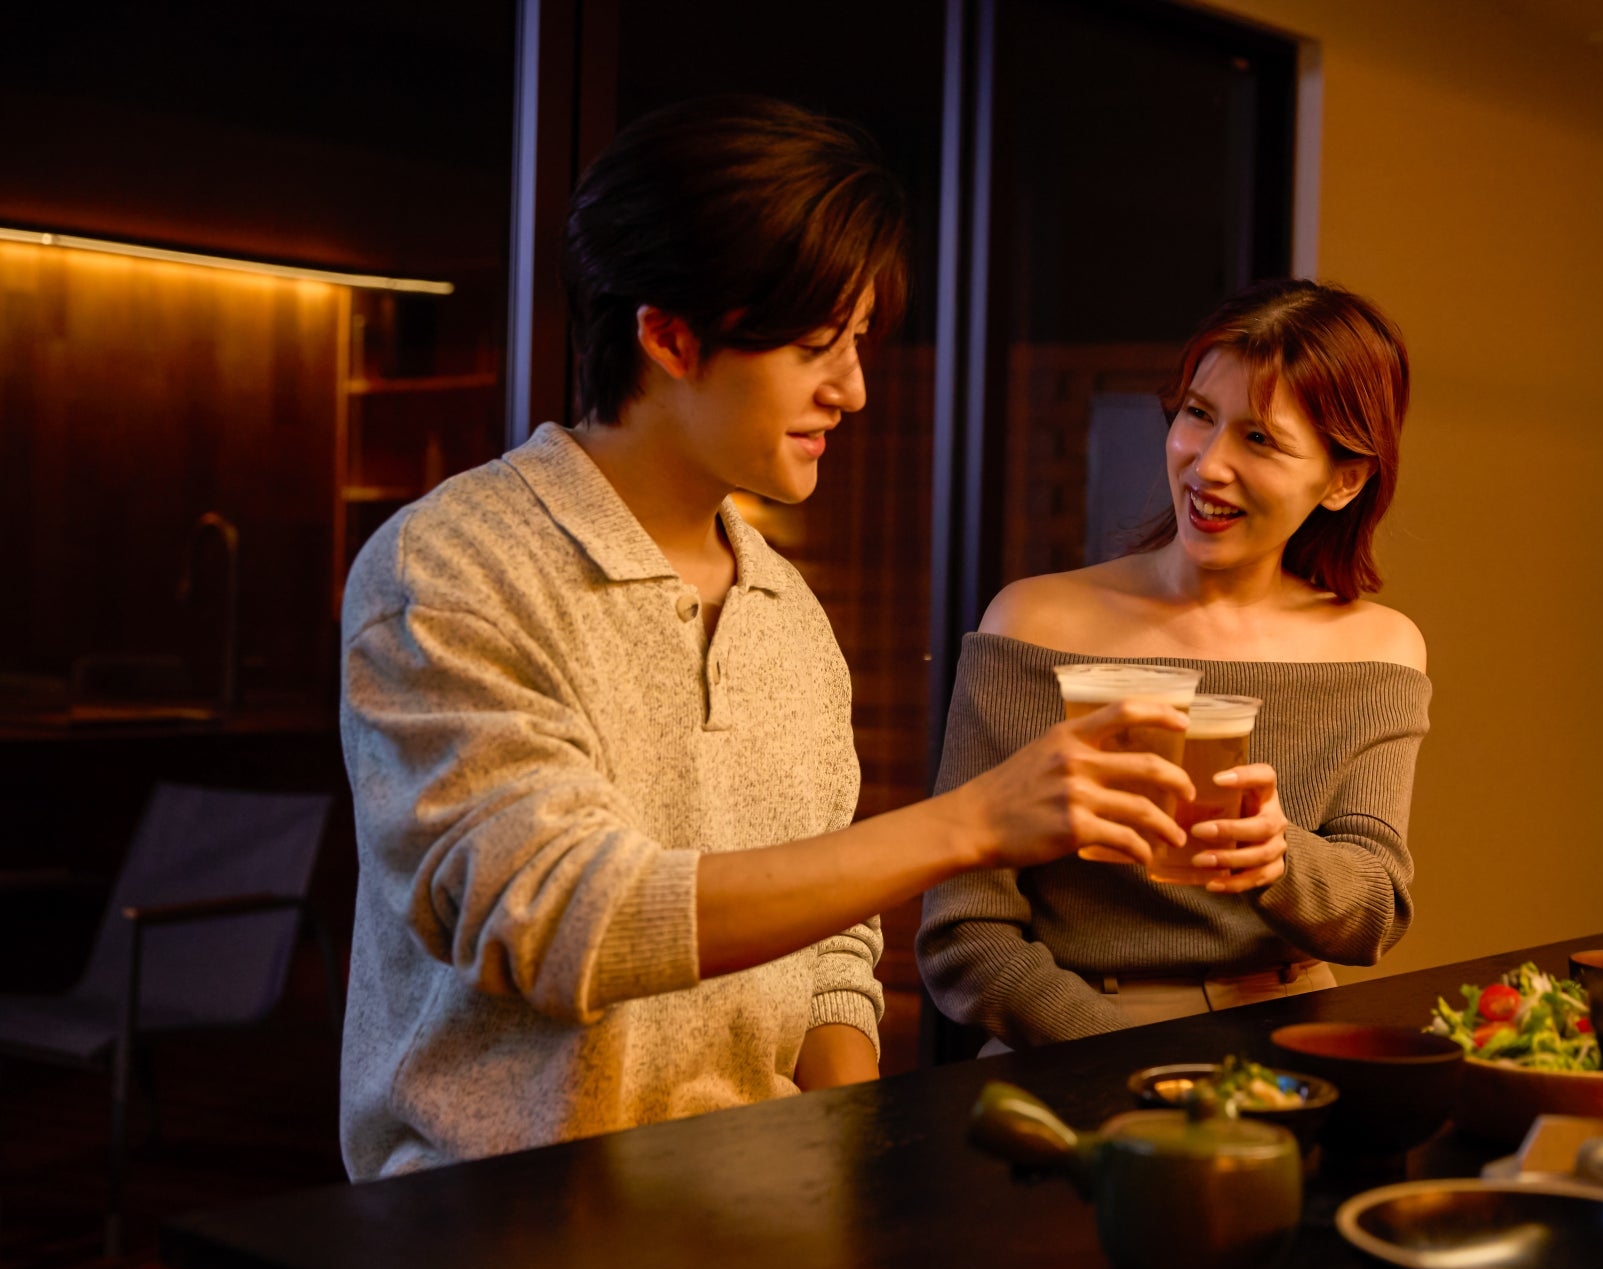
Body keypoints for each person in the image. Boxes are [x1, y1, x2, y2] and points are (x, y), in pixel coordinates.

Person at [336, 96, 1194, 1180]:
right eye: (813, 345)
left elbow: (829, 942)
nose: (855, 388)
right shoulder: (452, 567)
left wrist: (840, 1148)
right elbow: (562, 918)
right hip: (489, 1228)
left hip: (752, 1211)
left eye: (859, 341)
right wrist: (973, 822)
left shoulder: (790, 610)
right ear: (668, 335)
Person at [917, 279, 1430, 1052]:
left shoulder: (1378, 649)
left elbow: (1373, 917)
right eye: (1197, 414)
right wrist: (1126, 1056)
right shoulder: (1032, 623)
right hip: (1067, 1043)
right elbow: (963, 931)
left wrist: (1277, 858)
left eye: (1259, 439)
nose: (1206, 464)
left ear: (1343, 479)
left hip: (1287, 1035)